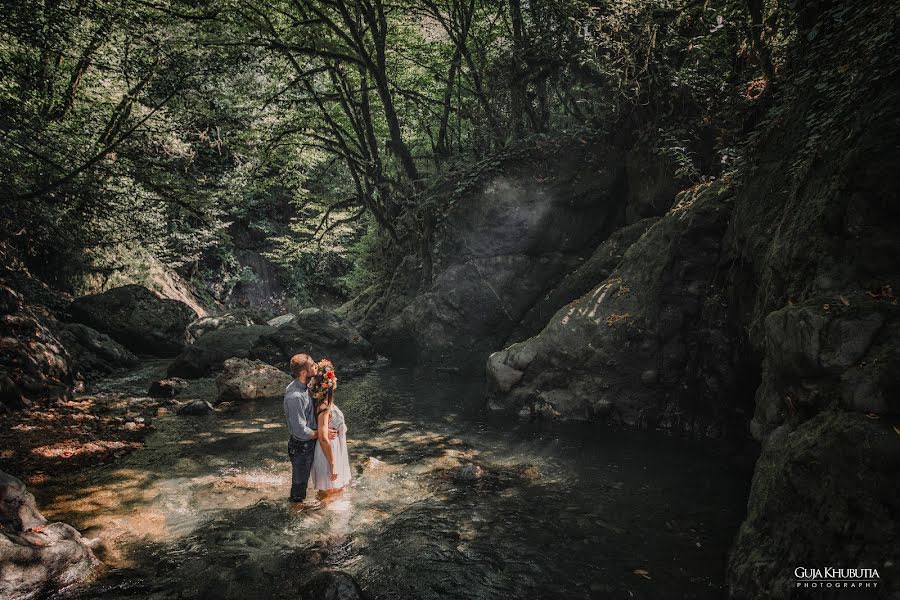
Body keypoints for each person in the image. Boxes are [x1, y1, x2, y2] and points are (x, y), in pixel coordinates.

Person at [283, 353, 337, 503]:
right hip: (301, 447)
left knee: (314, 480)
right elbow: (300, 430)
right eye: (313, 365)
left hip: (309, 443)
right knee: (299, 488)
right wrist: (322, 433)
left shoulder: (305, 386)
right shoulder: (295, 396)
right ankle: (295, 516)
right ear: (303, 373)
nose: (316, 366)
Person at [309, 360, 351, 495]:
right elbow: (322, 438)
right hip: (327, 454)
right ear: (330, 384)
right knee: (328, 494)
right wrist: (333, 465)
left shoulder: (324, 403)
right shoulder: (324, 407)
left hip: (334, 451)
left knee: (336, 493)